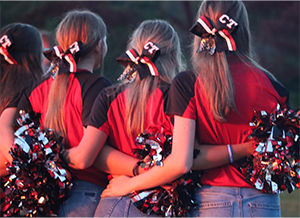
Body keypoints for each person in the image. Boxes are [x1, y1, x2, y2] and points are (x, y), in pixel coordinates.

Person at [63, 19, 255, 217]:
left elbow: (95, 154)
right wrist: (246, 147)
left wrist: (135, 171)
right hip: (160, 207)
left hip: (114, 203)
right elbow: (193, 156)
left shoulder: (110, 96)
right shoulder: (180, 97)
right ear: (173, 56)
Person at [165, 0, 289, 217]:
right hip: (264, 203)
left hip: (211, 201)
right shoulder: (274, 86)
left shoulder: (188, 83)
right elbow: (281, 156)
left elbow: (187, 158)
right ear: (244, 30)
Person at [16, 10, 112, 217]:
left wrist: (46, 160)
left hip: (43, 196)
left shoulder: (36, 88)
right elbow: (88, 156)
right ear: (99, 46)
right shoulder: (98, 87)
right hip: (86, 191)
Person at [0, 23, 44, 177]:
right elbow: (4, 129)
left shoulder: (8, 88)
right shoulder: (26, 88)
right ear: (34, 55)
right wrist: (25, 169)